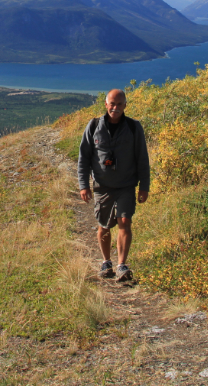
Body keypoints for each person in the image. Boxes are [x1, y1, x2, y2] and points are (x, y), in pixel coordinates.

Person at [77, 88, 150, 282]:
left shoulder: (134, 128)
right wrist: (84, 185)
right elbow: (83, 158)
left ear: (125, 105)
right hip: (102, 186)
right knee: (104, 226)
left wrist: (144, 186)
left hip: (126, 185)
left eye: (119, 104)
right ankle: (106, 262)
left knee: (124, 221)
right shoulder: (93, 127)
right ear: (106, 104)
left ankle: (122, 265)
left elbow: (142, 159)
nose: (115, 107)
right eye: (112, 103)